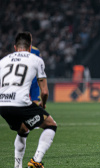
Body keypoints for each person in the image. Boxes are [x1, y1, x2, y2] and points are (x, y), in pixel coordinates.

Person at [0, 32, 57, 168]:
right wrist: (42, 104)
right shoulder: (36, 60)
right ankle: (36, 160)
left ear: (15, 47)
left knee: (23, 130)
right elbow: (44, 91)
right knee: (50, 125)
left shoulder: (3, 61)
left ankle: (17, 166)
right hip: (20, 103)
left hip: (2, 104)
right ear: (30, 47)